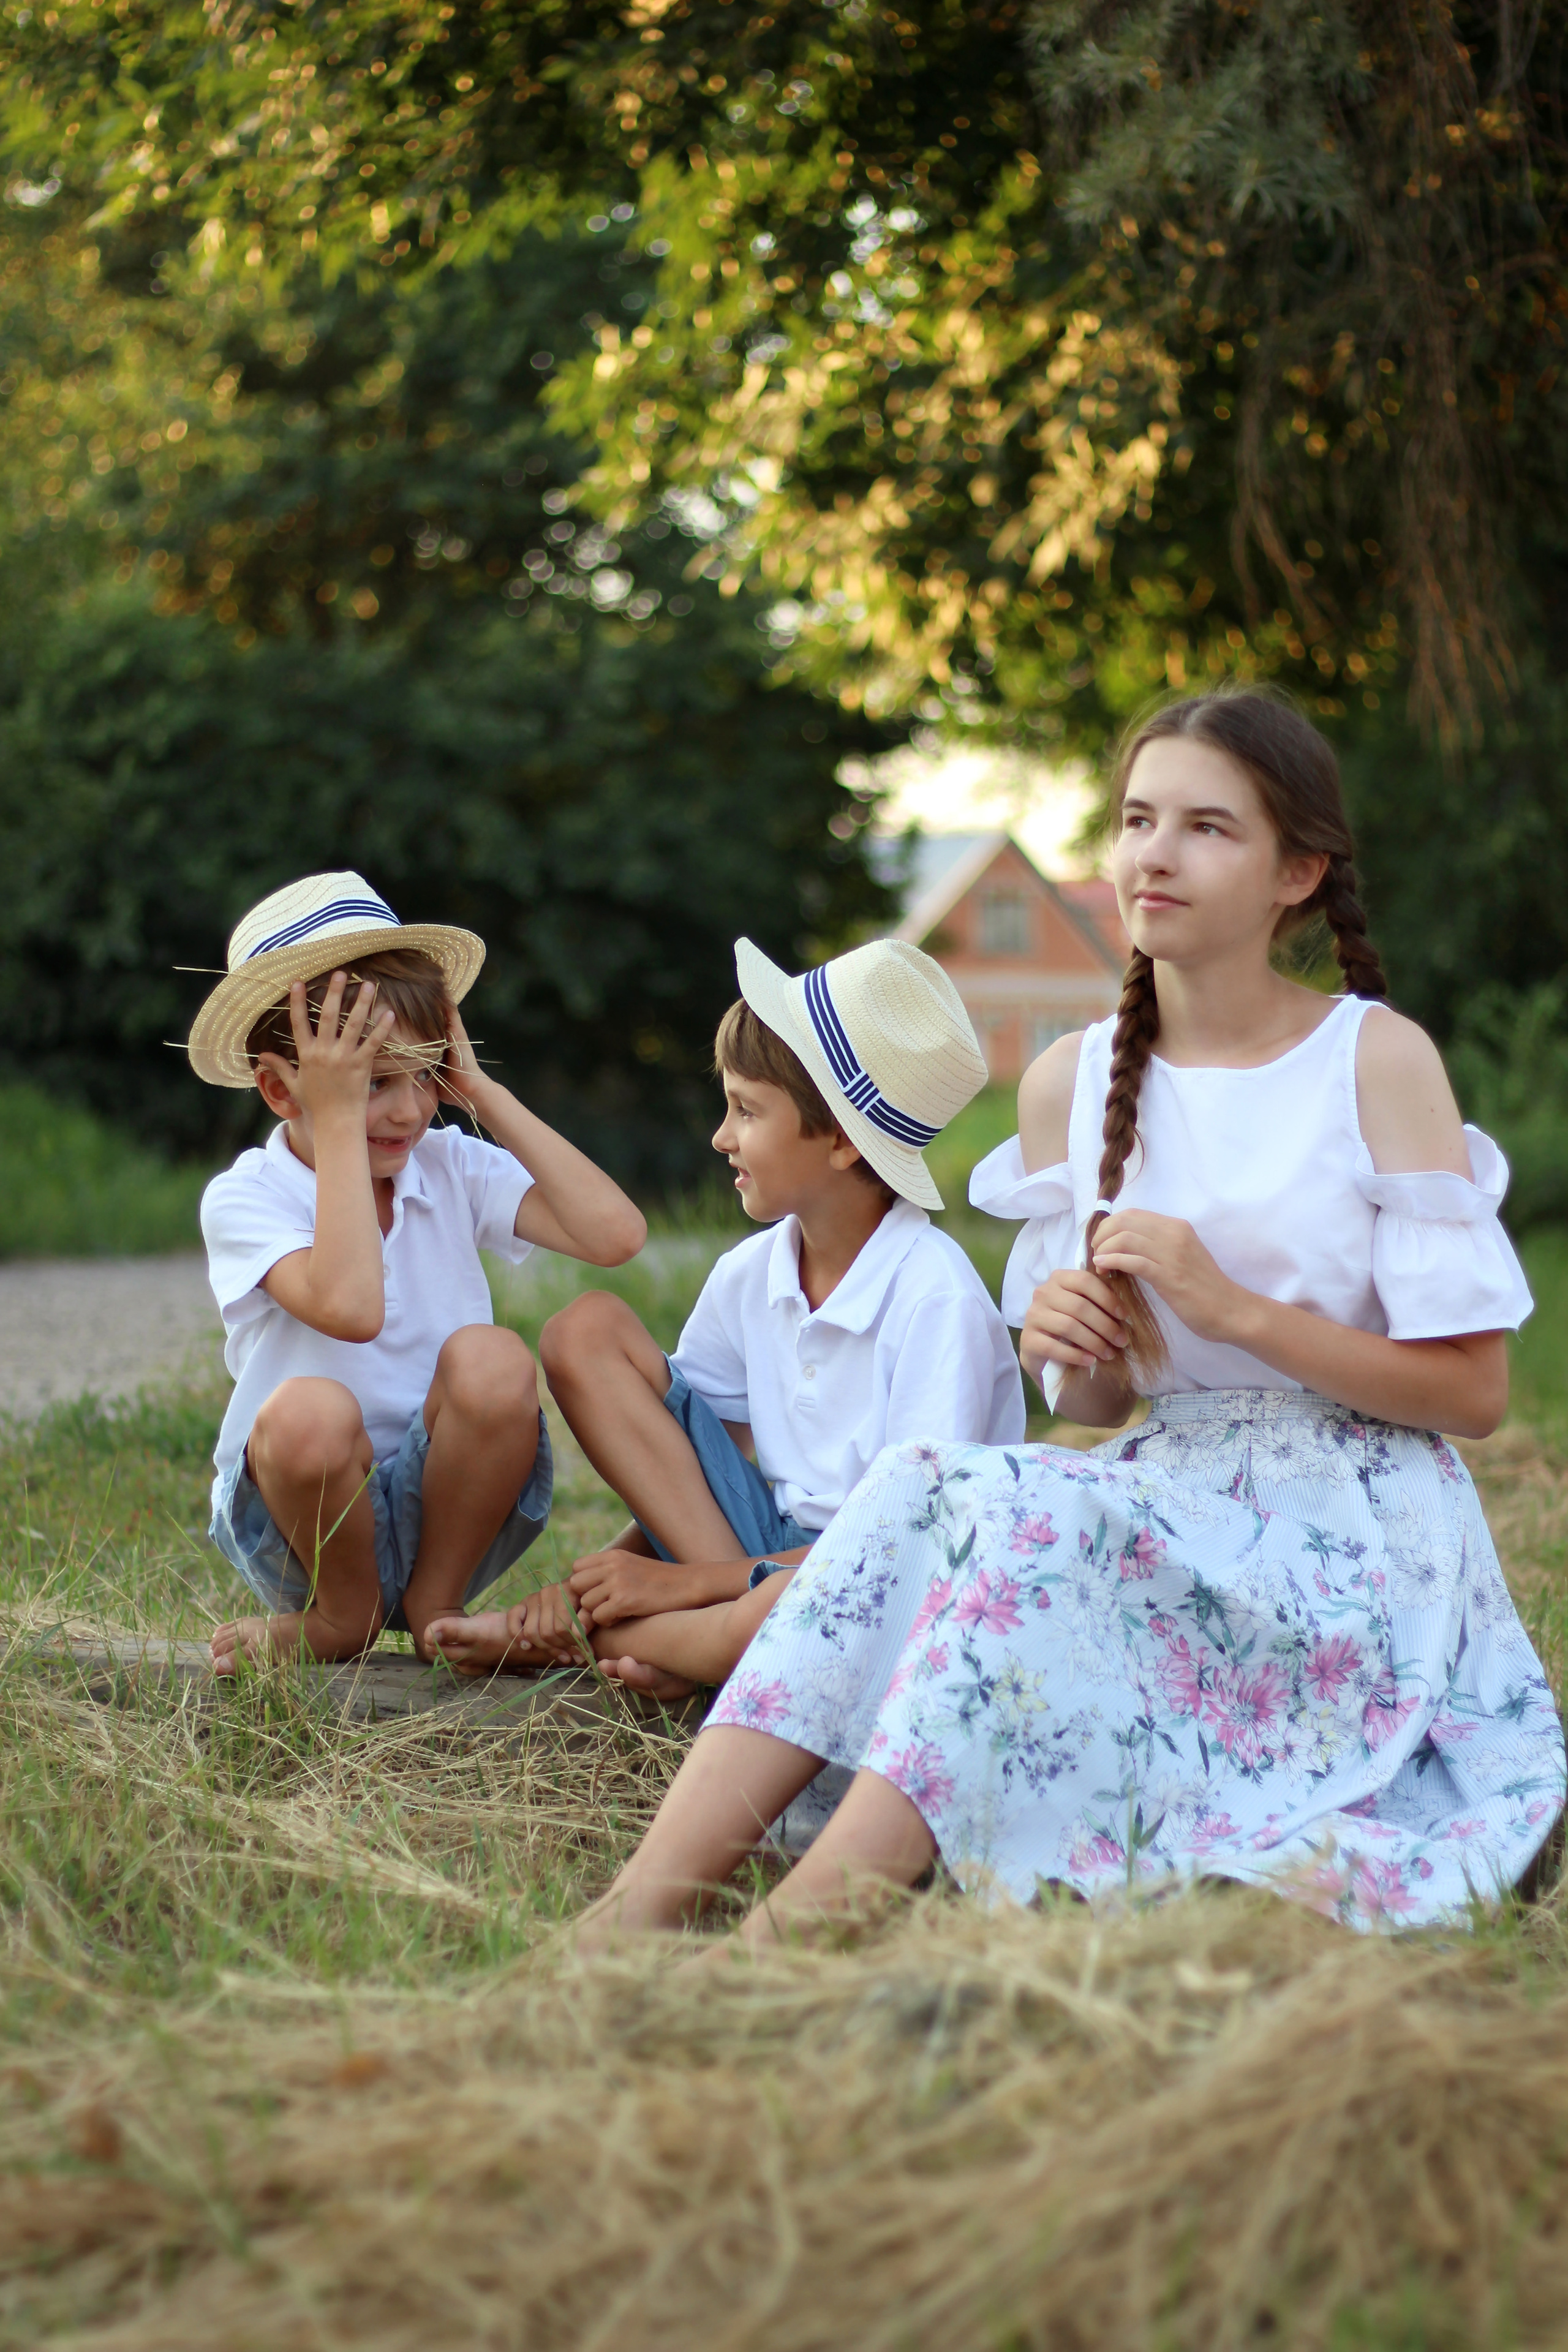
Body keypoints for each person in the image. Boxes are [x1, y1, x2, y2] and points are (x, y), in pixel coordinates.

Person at [576, 689, 1567, 1948]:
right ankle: (628, 1919)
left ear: (1297, 872)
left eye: (1206, 827)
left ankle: (784, 1943)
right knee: (927, 1482)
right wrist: (1065, 1339)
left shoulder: (1373, 1060)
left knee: (1037, 1517)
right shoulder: (1070, 1081)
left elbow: (1473, 1394)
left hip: (1352, 1532)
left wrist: (1233, 1310)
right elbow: (1095, 1406)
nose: (1155, 853)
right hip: (1171, 1489)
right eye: (1137, 819)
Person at [426, 935, 1025, 1687]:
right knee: (585, 1331)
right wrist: (612, 1578)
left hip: (885, 1583)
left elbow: (910, 1547)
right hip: (758, 1561)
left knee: (768, 1610)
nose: (721, 1136)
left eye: (747, 1110)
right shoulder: (751, 1274)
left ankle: (670, 1642)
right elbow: (681, 1476)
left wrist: (686, 1585)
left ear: (842, 1141)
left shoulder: (937, 1299)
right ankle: (675, 1641)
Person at [192, 870, 645, 1675]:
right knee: (306, 1411)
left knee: (494, 1356)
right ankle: (343, 1618)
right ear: (279, 1090)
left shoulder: (449, 1163)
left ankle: (438, 1608)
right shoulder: (247, 1198)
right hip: (302, 1520)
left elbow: (614, 1234)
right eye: (372, 1084)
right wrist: (339, 1124)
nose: (408, 1111)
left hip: (453, 1506)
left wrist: (482, 1093)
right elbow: (351, 1308)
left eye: (424, 1074)